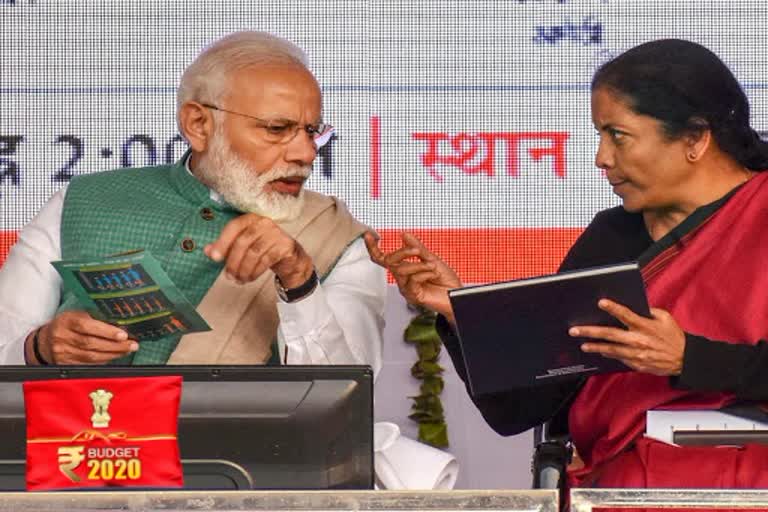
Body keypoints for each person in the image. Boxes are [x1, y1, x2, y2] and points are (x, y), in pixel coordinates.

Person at [366, 39, 768, 487]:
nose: (602, 158)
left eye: (618, 135)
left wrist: (689, 357)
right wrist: (461, 311)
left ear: (694, 138)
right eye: (600, 136)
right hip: (620, 487)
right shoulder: (614, 237)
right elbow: (519, 408)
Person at [0, 31, 385, 372]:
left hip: (245, 452)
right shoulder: (81, 201)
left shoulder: (338, 237)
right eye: (277, 129)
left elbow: (346, 396)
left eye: (312, 131)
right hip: (82, 445)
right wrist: (39, 349)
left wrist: (300, 280)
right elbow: (5, 348)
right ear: (199, 125)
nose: (305, 153)